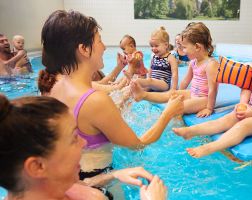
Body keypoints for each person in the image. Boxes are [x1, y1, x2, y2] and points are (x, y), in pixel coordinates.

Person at [40, 10, 183, 181]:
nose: (104, 47)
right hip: (99, 186)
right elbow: (138, 144)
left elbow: (98, 120)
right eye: (99, 41)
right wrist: (168, 112)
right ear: (84, 49)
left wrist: (128, 95)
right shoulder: (95, 101)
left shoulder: (54, 85)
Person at [172, 10, 252, 158]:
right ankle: (192, 131)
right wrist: (243, 104)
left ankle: (211, 147)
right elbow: (247, 86)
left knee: (245, 126)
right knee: (226, 119)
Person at [0, 94, 167, 200]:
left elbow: (82, 184)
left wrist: (115, 175)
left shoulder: (57, 186)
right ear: (37, 166)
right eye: (74, 138)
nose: (84, 142)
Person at [131, 22, 219, 118]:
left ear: (197, 47)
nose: (183, 51)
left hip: (204, 99)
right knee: (172, 94)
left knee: (177, 107)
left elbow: (212, 89)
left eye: (185, 47)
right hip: (193, 93)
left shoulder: (211, 64)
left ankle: (169, 114)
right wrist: (177, 94)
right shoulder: (193, 62)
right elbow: (186, 80)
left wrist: (209, 108)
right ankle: (143, 95)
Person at [135, 26, 178, 92]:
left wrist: (173, 89)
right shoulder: (153, 56)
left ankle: (136, 82)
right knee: (142, 89)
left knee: (148, 82)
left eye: (156, 46)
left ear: (166, 45)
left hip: (164, 84)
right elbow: (150, 70)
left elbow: (175, 74)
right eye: (152, 46)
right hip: (152, 82)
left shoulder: (170, 58)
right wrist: (148, 80)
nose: (153, 48)